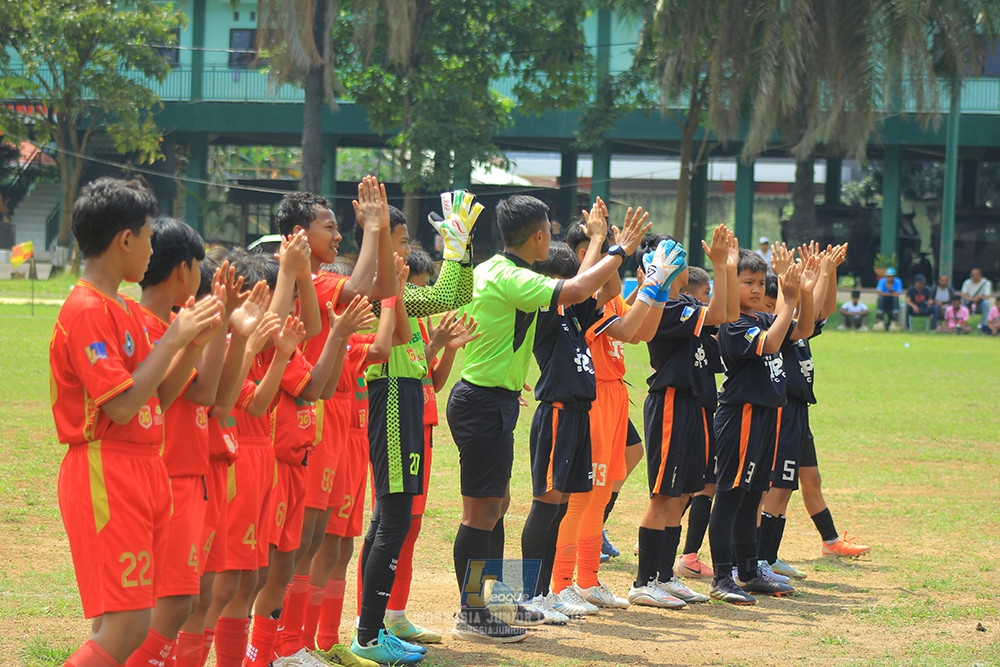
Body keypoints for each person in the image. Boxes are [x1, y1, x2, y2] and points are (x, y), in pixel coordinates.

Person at [446, 194, 649, 643]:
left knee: (495, 507)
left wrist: (600, 243)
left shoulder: (501, 272)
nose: (552, 238)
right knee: (481, 513)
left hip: (492, 399)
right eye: (551, 231)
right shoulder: (510, 275)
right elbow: (576, 288)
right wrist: (616, 248)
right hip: (481, 400)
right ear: (538, 236)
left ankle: (498, 601)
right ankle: (472, 614)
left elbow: (581, 292)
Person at [51, 178, 223, 666]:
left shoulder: (122, 309)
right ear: (125, 239)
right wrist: (175, 340)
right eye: (148, 236)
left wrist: (192, 344)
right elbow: (121, 407)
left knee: (127, 620)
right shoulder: (85, 309)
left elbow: (159, 396)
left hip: (143, 466)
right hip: (108, 468)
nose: (152, 248)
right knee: (128, 623)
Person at [353, 190, 481, 664]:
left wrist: (460, 245)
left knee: (388, 521)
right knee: (393, 519)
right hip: (387, 394)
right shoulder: (371, 287)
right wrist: (456, 245)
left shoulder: (395, 287)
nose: (405, 252)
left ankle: (373, 628)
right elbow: (448, 295)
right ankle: (368, 634)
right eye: (399, 242)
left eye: (406, 242)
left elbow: (454, 294)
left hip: (406, 397)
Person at [271, 179, 394, 665]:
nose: (339, 235)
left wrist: (378, 231)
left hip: (336, 411)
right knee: (305, 538)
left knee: (322, 538)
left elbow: (382, 288)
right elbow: (366, 287)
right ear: (299, 232)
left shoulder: (319, 277)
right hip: (313, 407)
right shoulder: (313, 279)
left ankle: (307, 640)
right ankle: (286, 643)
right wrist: (374, 228)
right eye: (331, 227)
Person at [135, 219, 239, 667]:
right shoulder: (145, 324)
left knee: (194, 595)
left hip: (192, 474)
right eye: (199, 265)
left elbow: (210, 395)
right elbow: (189, 395)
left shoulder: (179, 322)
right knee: (169, 602)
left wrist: (221, 325)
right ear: (183, 269)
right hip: (167, 473)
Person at [629, 225, 738, 610]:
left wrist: (723, 267)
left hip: (696, 404)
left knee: (684, 492)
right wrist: (723, 267)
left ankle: (664, 575)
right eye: (671, 257)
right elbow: (724, 312)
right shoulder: (671, 307)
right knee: (664, 495)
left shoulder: (684, 304)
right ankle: (644, 581)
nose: (680, 262)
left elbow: (726, 315)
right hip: (672, 402)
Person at [707, 249, 814, 605]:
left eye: (758, 282)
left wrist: (801, 291)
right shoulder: (735, 323)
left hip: (766, 414)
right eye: (747, 282)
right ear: (729, 284)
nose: (755, 289)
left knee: (753, 494)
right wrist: (790, 299)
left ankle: (750, 571)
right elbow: (769, 344)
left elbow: (804, 329)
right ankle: (723, 575)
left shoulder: (762, 319)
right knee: (731, 495)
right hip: (743, 415)